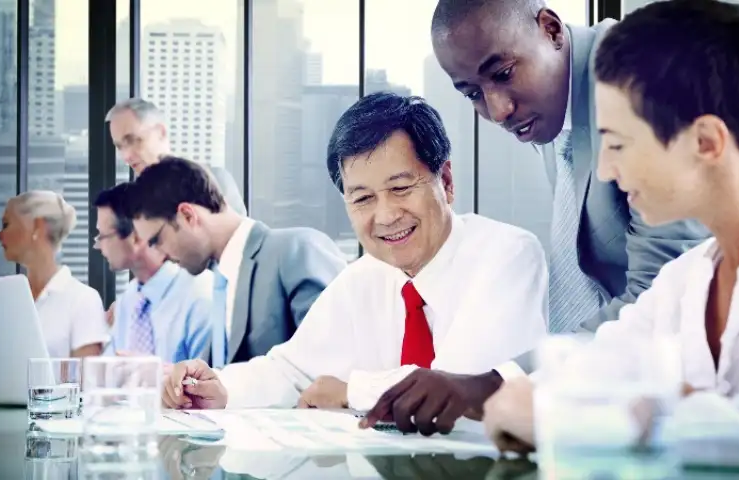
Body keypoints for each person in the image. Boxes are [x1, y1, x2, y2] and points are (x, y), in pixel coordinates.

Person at [361, 0, 739, 435]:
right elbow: (618, 349)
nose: (604, 170)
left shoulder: (642, 80)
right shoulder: (690, 276)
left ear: (705, 143)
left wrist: (629, 419)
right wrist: (489, 387)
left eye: (617, 145)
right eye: (473, 94)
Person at [156, 93, 548, 437]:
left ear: (445, 180)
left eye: (400, 188)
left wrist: (348, 391)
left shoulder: (507, 254)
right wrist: (219, 387)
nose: (386, 215)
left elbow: (449, 389)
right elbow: (292, 371)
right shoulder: (363, 277)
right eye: (362, 199)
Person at [127, 156, 347, 369]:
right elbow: (219, 380)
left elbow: (333, 364)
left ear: (187, 215)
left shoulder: (298, 249)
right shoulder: (219, 283)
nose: (160, 255)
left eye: (157, 241)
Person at [94, 183, 213, 363]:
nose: (97, 245)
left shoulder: (200, 295)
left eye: (103, 236)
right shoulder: (129, 299)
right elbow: (112, 370)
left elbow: (210, 381)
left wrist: (154, 375)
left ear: (135, 238)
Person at [0, 191, 109, 357]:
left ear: (37, 226)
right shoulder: (5, 298)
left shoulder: (83, 300)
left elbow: (88, 379)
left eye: (6, 225)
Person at [106, 97, 246, 216]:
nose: (126, 156)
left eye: (132, 140)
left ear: (160, 132)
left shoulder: (216, 181)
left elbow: (244, 241)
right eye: (119, 146)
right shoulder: (129, 202)